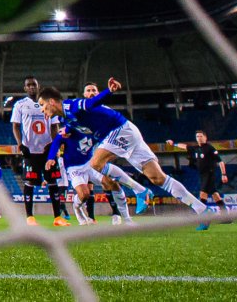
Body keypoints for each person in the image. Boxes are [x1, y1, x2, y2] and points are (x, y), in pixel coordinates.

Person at [38, 79, 216, 230]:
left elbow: (91, 103)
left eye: (42, 105)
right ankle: (202, 210)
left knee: (95, 163)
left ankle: (140, 191)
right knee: (157, 178)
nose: (42, 110)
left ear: (52, 101)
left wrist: (109, 90)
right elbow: (77, 127)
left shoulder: (71, 106)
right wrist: (67, 133)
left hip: (119, 130)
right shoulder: (65, 118)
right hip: (128, 132)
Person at [81, 82, 153, 223]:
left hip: (98, 158)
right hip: (84, 161)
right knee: (88, 191)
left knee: (111, 184)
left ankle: (125, 218)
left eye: (94, 90)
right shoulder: (82, 113)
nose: (91, 93)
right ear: (84, 95)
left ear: (98, 94)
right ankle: (89, 217)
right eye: (88, 90)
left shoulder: (104, 111)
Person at [46, 123, 136, 226]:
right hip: (74, 168)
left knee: (109, 182)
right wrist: (51, 158)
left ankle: (123, 217)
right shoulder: (66, 131)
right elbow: (56, 142)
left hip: (90, 164)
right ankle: (77, 207)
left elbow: (106, 142)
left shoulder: (92, 129)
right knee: (84, 194)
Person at [11, 76, 66, 226]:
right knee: (30, 182)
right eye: (28, 85)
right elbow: (15, 125)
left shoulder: (48, 103)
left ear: (38, 86)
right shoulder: (20, 105)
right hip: (30, 150)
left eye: (33, 85)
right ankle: (30, 217)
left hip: (48, 148)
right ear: (25, 88)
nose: (31, 87)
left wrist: (55, 145)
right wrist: (20, 144)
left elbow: (55, 126)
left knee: (53, 182)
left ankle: (57, 218)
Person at [168, 130, 230, 218]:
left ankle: (202, 216)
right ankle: (226, 217)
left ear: (205, 137)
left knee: (202, 193)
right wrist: (174, 144)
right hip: (202, 174)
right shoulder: (196, 148)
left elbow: (220, 162)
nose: (199, 138)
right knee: (215, 195)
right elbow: (185, 146)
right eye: (197, 136)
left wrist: (224, 174)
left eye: (201, 136)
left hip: (209, 173)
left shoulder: (210, 148)